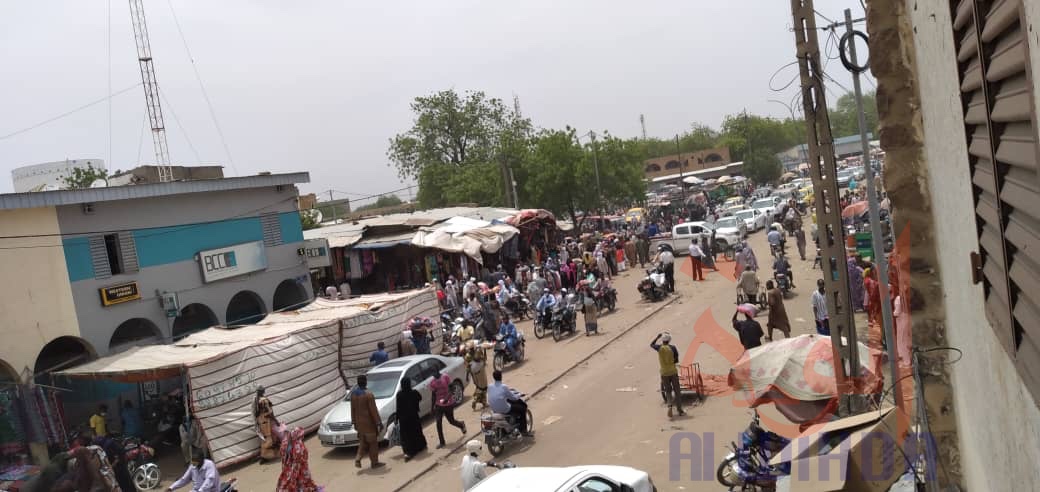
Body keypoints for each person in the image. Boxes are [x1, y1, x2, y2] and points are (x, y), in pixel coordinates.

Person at [349, 375, 385, 469]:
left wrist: (354, 422)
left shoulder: (353, 394)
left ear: (357, 382)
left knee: (363, 442)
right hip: (369, 424)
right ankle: (374, 463)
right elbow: (373, 410)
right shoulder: (368, 394)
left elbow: (352, 409)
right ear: (365, 382)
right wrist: (379, 423)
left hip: (359, 425)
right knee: (373, 443)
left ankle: (358, 458)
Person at [429, 369, 467, 448]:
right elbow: (433, 395)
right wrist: (432, 407)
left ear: (437, 370)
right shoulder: (432, 383)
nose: (433, 374)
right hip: (438, 405)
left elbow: (452, 389)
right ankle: (442, 442)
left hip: (448, 403)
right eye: (432, 373)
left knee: (451, 421)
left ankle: (461, 425)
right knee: (438, 423)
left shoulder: (445, 377)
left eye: (434, 372)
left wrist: (446, 399)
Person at [277, 426, 322, 492]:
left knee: (288, 479)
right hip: (299, 466)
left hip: (287, 466)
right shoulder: (298, 444)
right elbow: (302, 456)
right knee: (302, 479)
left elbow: (281, 453)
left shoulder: (285, 442)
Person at [650, 332, 684, 418]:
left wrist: (657, 337)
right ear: (669, 340)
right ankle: (680, 410)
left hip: (664, 373)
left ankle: (669, 406)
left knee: (668, 391)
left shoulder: (659, 348)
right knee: (677, 391)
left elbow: (651, 344)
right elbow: (676, 359)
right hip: (673, 372)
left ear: (662, 340)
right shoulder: (673, 348)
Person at [487, 370, 530, 436]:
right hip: (505, 409)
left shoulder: (490, 386)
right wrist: (519, 395)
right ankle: (524, 430)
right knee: (522, 409)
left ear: (493, 377)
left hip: (494, 409)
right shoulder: (504, 387)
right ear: (501, 376)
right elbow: (513, 398)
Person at [394, 378, 426, 461]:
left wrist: (396, 419)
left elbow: (398, 408)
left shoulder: (399, 395)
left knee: (406, 436)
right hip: (414, 417)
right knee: (417, 432)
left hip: (403, 419)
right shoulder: (414, 393)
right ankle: (420, 447)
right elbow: (420, 398)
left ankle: (409, 452)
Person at [254, 386, 280, 463]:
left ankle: (265, 456)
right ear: (262, 391)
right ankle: (267, 456)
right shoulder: (264, 400)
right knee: (271, 438)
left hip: (260, 421)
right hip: (267, 421)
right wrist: (275, 420)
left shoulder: (256, 400)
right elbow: (269, 412)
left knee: (265, 439)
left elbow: (256, 413)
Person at [465, 342, 489, 410]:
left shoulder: (467, 356)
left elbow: (467, 367)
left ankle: (484, 402)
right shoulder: (478, 352)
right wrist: (484, 350)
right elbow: (484, 359)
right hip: (481, 372)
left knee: (478, 386)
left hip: (474, 374)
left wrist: (467, 376)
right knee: (483, 388)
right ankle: (476, 400)